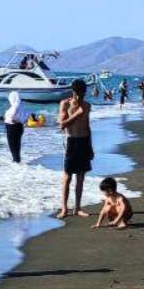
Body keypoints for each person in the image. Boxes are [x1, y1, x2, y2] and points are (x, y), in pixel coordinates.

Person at [57, 78, 93, 218]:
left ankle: (77, 208)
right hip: (71, 141)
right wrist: (77, 114)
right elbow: (62, 125)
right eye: (79, 94)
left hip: (84, 141)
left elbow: (87, 126)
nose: (81, 97)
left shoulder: (87, 105)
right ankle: (64, 209)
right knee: (67, 177)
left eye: (83, 94)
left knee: (81, 176)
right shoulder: (65, 104)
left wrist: (90, 147)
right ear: (73, 92)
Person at [2, 91, 29, 163]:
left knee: (13, 147)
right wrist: (21, 121)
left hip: (12, 127)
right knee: (17, 146)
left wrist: (12, 119)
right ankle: (17, 162)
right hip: (19, 127)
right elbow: (26, 116)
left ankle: (16, 164)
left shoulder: (15, 106)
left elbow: (12, 114)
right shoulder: (21, 105)